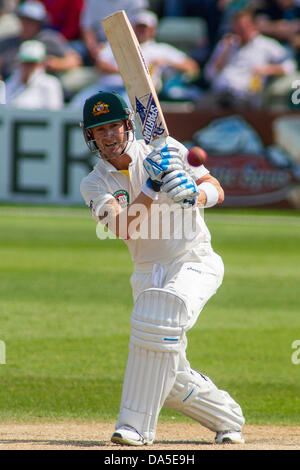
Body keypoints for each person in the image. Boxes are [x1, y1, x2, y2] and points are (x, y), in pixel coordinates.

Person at [80, 90, 245, 446]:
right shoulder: (94, 183)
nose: (108, 136)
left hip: (193, 259)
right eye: (99, 130)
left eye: (113, 126)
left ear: (128, 125)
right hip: (146, 272)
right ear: (89, 137)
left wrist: (195, 196)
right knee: (165, 371)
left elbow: (215, 188)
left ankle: (134, 427)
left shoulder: (167, 148)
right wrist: (153, 186)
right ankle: (228, 418)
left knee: (159, 323)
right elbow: (125, 227)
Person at [69, 10, 201, 108]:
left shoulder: (160, 49)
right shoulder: (117, 44)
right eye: (139, 27)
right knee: (78, 103)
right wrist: (128, 71)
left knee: (126, 105)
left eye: (145, 28)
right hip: (108, 86)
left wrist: (166, 62)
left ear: (152, 30)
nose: (142, 31)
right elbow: (101, 64)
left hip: (139, 92)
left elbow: (192, 66)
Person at [202, 7, 296, 109]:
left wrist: (268, 69)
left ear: (253, 26)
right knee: (200, 109)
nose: (241, 31)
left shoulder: (265, 45)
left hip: (244, 97)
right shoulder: (226, 44)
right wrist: (224, 53)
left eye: (244, 27)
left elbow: (290, 66)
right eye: (237, 27)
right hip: (218, 94)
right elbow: (209, 75)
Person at [0, 0, 81, 80]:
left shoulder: (49, 39)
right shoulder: (7, 43)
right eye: (24, 20)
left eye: (31, 21)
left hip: (42, 86)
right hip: (12, 87)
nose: (27, 24)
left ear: (39, 23)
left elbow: (75, 60)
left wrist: (56, 64)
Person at [79, 0, 149, 63]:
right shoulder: (93, 2)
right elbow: (87, 28)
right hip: (100, 46)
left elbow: (142, 28)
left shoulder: (137, 2)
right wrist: (94, 48)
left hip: (130, 45)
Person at [5, 39, 63, 109]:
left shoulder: (50, 84)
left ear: (41, 63)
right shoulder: (10, 82)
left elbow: (54, 113)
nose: (28, 67)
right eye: (25, 62)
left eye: (33, 63)